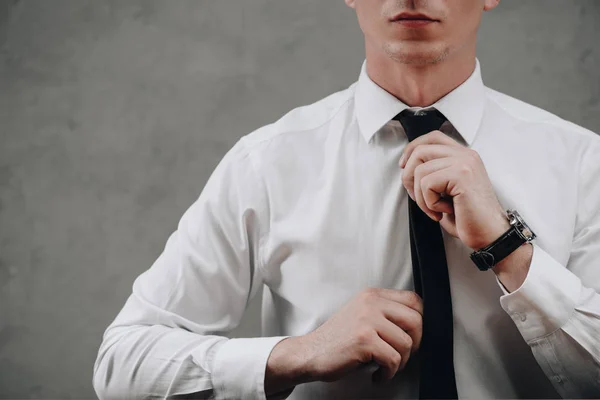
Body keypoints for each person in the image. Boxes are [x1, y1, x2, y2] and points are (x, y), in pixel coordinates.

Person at [92, 0, 600, 399]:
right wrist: (296, 355)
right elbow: (121, 364)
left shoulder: (580, 163)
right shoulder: (267, 164)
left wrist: (508, 247)